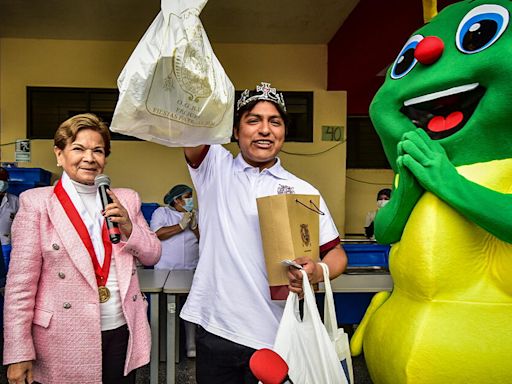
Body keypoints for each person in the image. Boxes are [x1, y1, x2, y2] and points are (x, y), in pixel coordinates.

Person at [181, 82, 348, 383]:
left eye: (275, 122)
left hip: (278, 334)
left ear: (284, 132)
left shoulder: (302, 190)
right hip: (217, 328)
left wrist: (316, 271)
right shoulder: (214, 168)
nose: (264, 130)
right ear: (235, 131)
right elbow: (191, 126)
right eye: (253, 120)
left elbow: (336, 254)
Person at [3, 113, 161, 384]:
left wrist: (129, 228)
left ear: (105, 158)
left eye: (98, 150)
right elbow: (20, 286)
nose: (89, 158)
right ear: (59, 154)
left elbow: (152, 254)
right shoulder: (37, 203)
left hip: (121, 328)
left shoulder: (126, 199)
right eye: (78, 148)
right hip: (61, 336)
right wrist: (18, 353)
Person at [150, 184, 199, 357]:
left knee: (190, 307)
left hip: (190, 269)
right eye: (187, 196)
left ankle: (190, 345)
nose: (190, 200)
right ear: (176, 199)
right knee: (165, 308)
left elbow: (205, 240)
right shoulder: (162, 213)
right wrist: (180, 226)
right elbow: (157, 234)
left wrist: (193, 226)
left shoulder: (196, 215)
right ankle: (163, 349)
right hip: (166, 270)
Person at [0, 167, 19, 248]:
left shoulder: (15, 200)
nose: (2, 183)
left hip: (6, 244)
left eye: (4, 179)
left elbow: (20, 224)